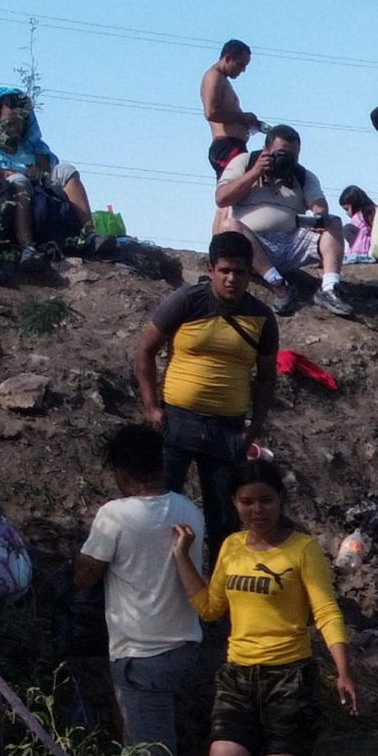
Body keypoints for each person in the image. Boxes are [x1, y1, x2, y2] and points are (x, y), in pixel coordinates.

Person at [171, 459, 360, 756]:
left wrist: (343, 671)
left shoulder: (303, 549)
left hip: (290, 680)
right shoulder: (231, 547)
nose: (257, 509)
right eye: (247, 502)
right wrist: (182, 557)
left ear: (280, 500)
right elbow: (211, 609)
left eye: (266, 500)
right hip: (237, 680)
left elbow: (326, 612)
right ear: (234, 503)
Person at [72, 424, 207, 756]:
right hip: (187, 647)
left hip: (141, 656)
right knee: (148, 740)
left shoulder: (115, 515)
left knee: (154, 755)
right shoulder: (189, 509)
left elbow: (84, 577)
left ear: (122, 473)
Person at [132, 231, 277, 550]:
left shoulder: (262, 317)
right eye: (224, 270)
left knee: (223, 520)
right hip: (176, 423)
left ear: (250, 273)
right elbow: (145, 350)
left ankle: (217, 593)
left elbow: (267, 377)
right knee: (160, 511)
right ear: (211, 268)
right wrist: (152, 408)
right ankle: (162, 587)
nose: (231, 279)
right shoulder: (186, 301)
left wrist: (254, 428)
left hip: (227, 430)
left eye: (239, 272)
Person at [214, 127, 355, 317]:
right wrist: (255, 172)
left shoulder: (302, 175)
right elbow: (222, 198)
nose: (286, 160)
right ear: (266, 149)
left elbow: (319, 204)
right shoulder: (246, 162)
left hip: (292, 243)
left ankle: (329, 288)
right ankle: (279, 284)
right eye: (281, 154)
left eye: (292, 156)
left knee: (334, 222)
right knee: (229, 226)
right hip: (254, 245)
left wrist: (319, 212)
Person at [0, 85, 92, 271]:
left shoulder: (32, 147)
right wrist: (1, 174)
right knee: (18, 180)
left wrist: (39, 171)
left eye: (20, 122)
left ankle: (89, 233)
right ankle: (27, 246)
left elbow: (46, 166)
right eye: (9, 122)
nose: (15, 127)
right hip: (3, 203)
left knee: (66, 170)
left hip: (37, 198)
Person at [201, 39, 261, 176]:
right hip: (227, 146)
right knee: (237, 188)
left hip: (235, 145)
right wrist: (242, 117)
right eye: (240, 65)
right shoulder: (213, 77)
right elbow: (211, 113)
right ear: (228, 58)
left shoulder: (222, 80)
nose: (243, 70)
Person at [339, 187, 377, 262]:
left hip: (359, 252)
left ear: (354, 204)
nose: (346, 213)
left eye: (347, 209)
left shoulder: (357, 218)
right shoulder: (376, 211)